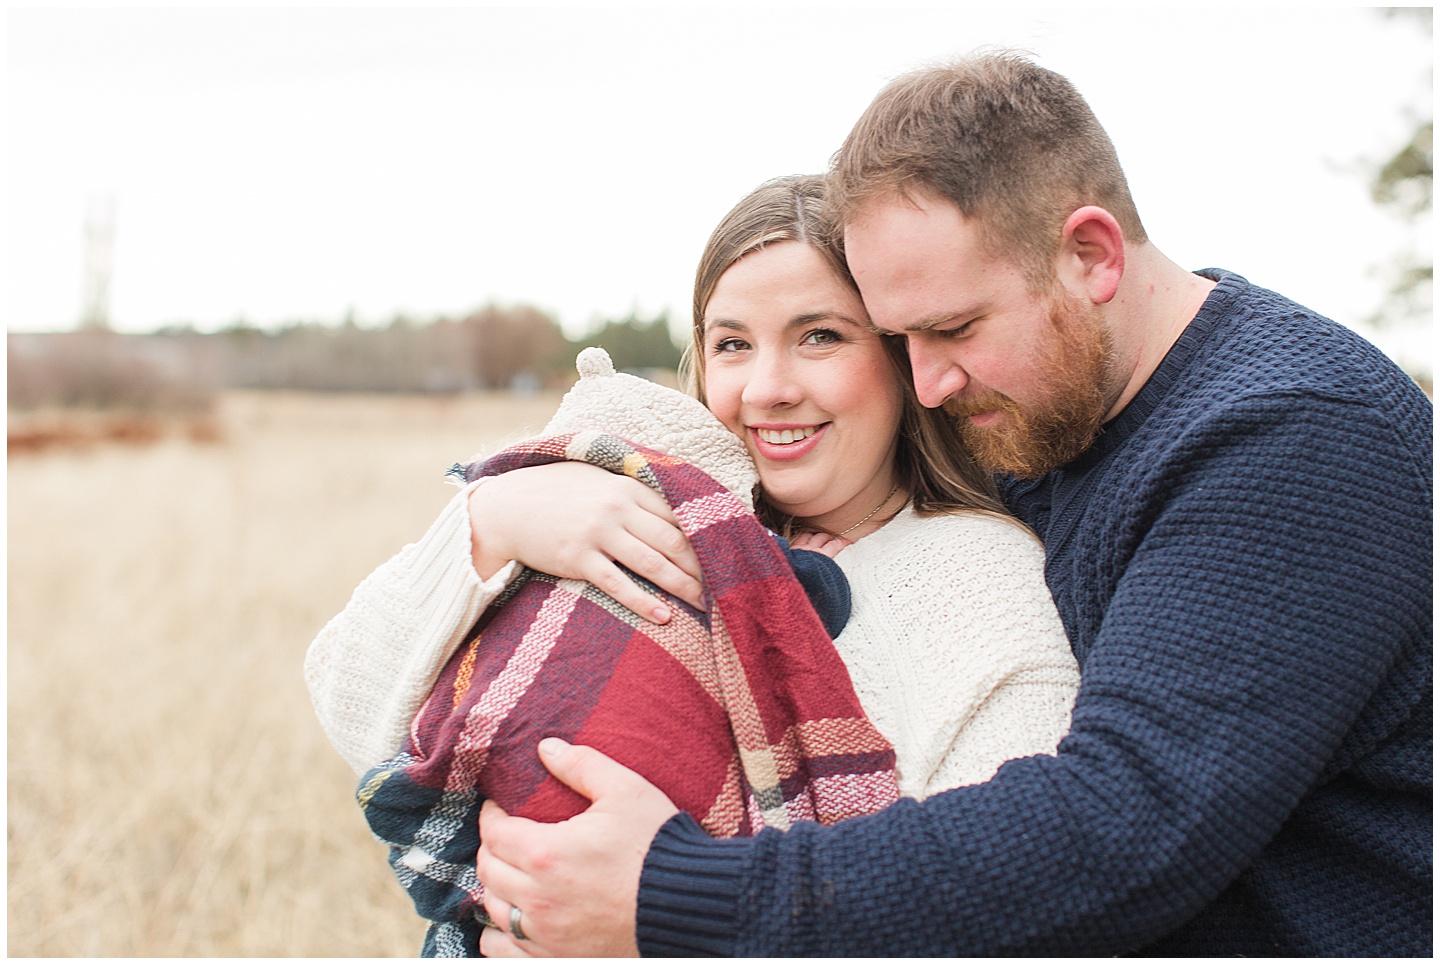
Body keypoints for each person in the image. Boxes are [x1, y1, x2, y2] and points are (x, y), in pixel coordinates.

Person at [468, 52, 1433, 958]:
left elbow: (1126, 827)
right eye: (899, 341)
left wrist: (677, 894)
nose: (926, 385)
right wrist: (512, 506)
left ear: (1092, 255)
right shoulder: (1049, 403)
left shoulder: (1293, 438)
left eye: (952, 328)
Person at [305, 174, 1081, 948]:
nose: (767, 388)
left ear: (901, 354)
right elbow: (348, 701)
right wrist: (490, 522)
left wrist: (655, 919)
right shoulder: (633, 507)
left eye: (821, 335)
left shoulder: (988, 581)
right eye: (733, 343)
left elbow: (996, 909)